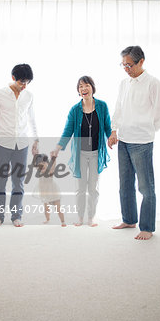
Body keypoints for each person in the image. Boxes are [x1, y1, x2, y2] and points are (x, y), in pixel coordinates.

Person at [108, 45, 160, 240]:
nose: (126, 68)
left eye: (129, 65)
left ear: (141, 62)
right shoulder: (124, 83)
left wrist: (147, 130)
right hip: (123, 139)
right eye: (123, 65)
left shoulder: (153, 83)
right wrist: (114, 130)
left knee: (145, 186)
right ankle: (129, 219)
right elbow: (118, 108)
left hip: (142, 142)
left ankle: (147, 227)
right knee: (125, 184)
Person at [51, 76, 111, 226]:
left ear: (92, 87)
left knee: (93, 188)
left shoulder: (102, 106)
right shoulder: (75, 110)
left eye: (86, 85)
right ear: (78, 91)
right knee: (80, 188)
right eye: (80, 87)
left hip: (97, 152)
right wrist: (58, 148)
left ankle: (91, 217)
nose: (83, 89)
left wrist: (112, 137)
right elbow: (68, 131)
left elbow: (108, 127)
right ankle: (80, 217)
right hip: (81, 154)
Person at [0, 64, 39, 227]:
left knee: (18, 182)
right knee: (0, 181)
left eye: (27, 82)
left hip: (22, 144)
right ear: (13, 78)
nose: (24, 86)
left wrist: (36, 140)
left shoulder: (29, 96)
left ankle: (16, 215)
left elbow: (31, 119)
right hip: (2, 143)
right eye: (21, 82)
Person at [32, 154, 66, 227]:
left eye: (44, 163)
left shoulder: (49, 172)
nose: (42, 166)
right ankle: (47, 219)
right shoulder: (39, 173)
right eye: (40, 165)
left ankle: (63, 221)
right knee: (46, 208)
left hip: (54, 193)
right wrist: (35, 155)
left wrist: (54, 158)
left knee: (58, 208)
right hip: (45, 193)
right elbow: (35, 164)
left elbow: (53, 167)